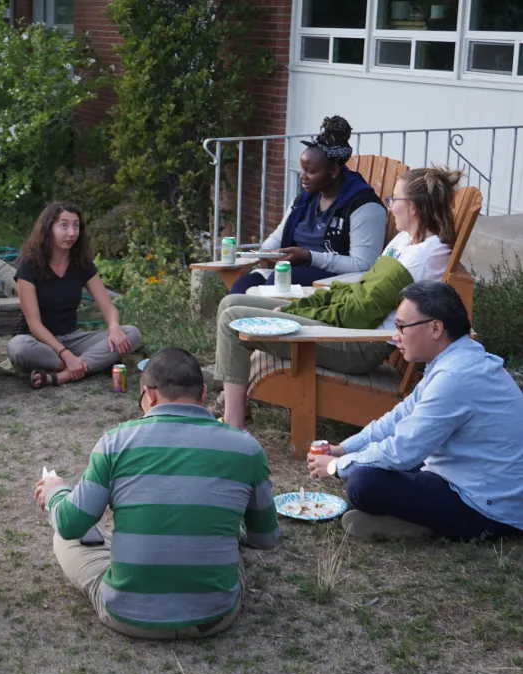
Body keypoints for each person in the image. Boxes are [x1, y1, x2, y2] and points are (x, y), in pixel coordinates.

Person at [35, 348, 278, 639]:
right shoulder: (247, 447)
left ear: (149, 396)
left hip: (127, 614)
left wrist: (55, 491)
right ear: (202, 394)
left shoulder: (115, 443)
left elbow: (68, 523)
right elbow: (264, 538)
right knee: (224, 540)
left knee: (64, 540)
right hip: (215, 617)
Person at [215, 166, 463, 429]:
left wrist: (300, 312)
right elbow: (361, 289)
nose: (390, 207)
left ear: (413, 207)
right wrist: (307, 304)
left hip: (359, 343)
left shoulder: (422, 257)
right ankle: (237, 407)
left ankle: (233, 424)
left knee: (233, 318)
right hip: (346, 327)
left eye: (394, 200)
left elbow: (360, 310)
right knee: (231, 303)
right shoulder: (404, 241)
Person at [308, 281, 523, 542]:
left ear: (435, 328)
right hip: (465, 478)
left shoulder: (455, 376)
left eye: (401, 326)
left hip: (486, 509)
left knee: (363, 483)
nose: (394, 336)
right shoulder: (455, 361)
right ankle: (405, 519)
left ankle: (420, 525)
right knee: (369, 469)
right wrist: (344, 449)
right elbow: (398, 419)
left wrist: (335, 466)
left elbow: (402, 451)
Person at [229, 115, 387, 295]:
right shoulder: (304, 200)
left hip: (333, 279)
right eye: (302, 168)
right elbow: (277, 237)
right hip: (293, 271)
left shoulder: (364, 206)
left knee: (278, 282)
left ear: (334, 171)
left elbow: (363, 264)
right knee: (243, 285)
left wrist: (308, 256)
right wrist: (267, 253)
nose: (302, 175)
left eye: (310, 171)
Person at [7, 202, 142, 388]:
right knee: (17, 347)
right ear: (48, 228)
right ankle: (83, 364)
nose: (71, 233)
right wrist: (65, 354)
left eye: (76, 226)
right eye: (64, 225)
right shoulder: (29, 266)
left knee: (131, 333)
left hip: (73, 338)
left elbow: (108, 307)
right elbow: (35, 325)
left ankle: (62, 376)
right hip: (38, 342)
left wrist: (114, 327)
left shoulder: (81, 263)